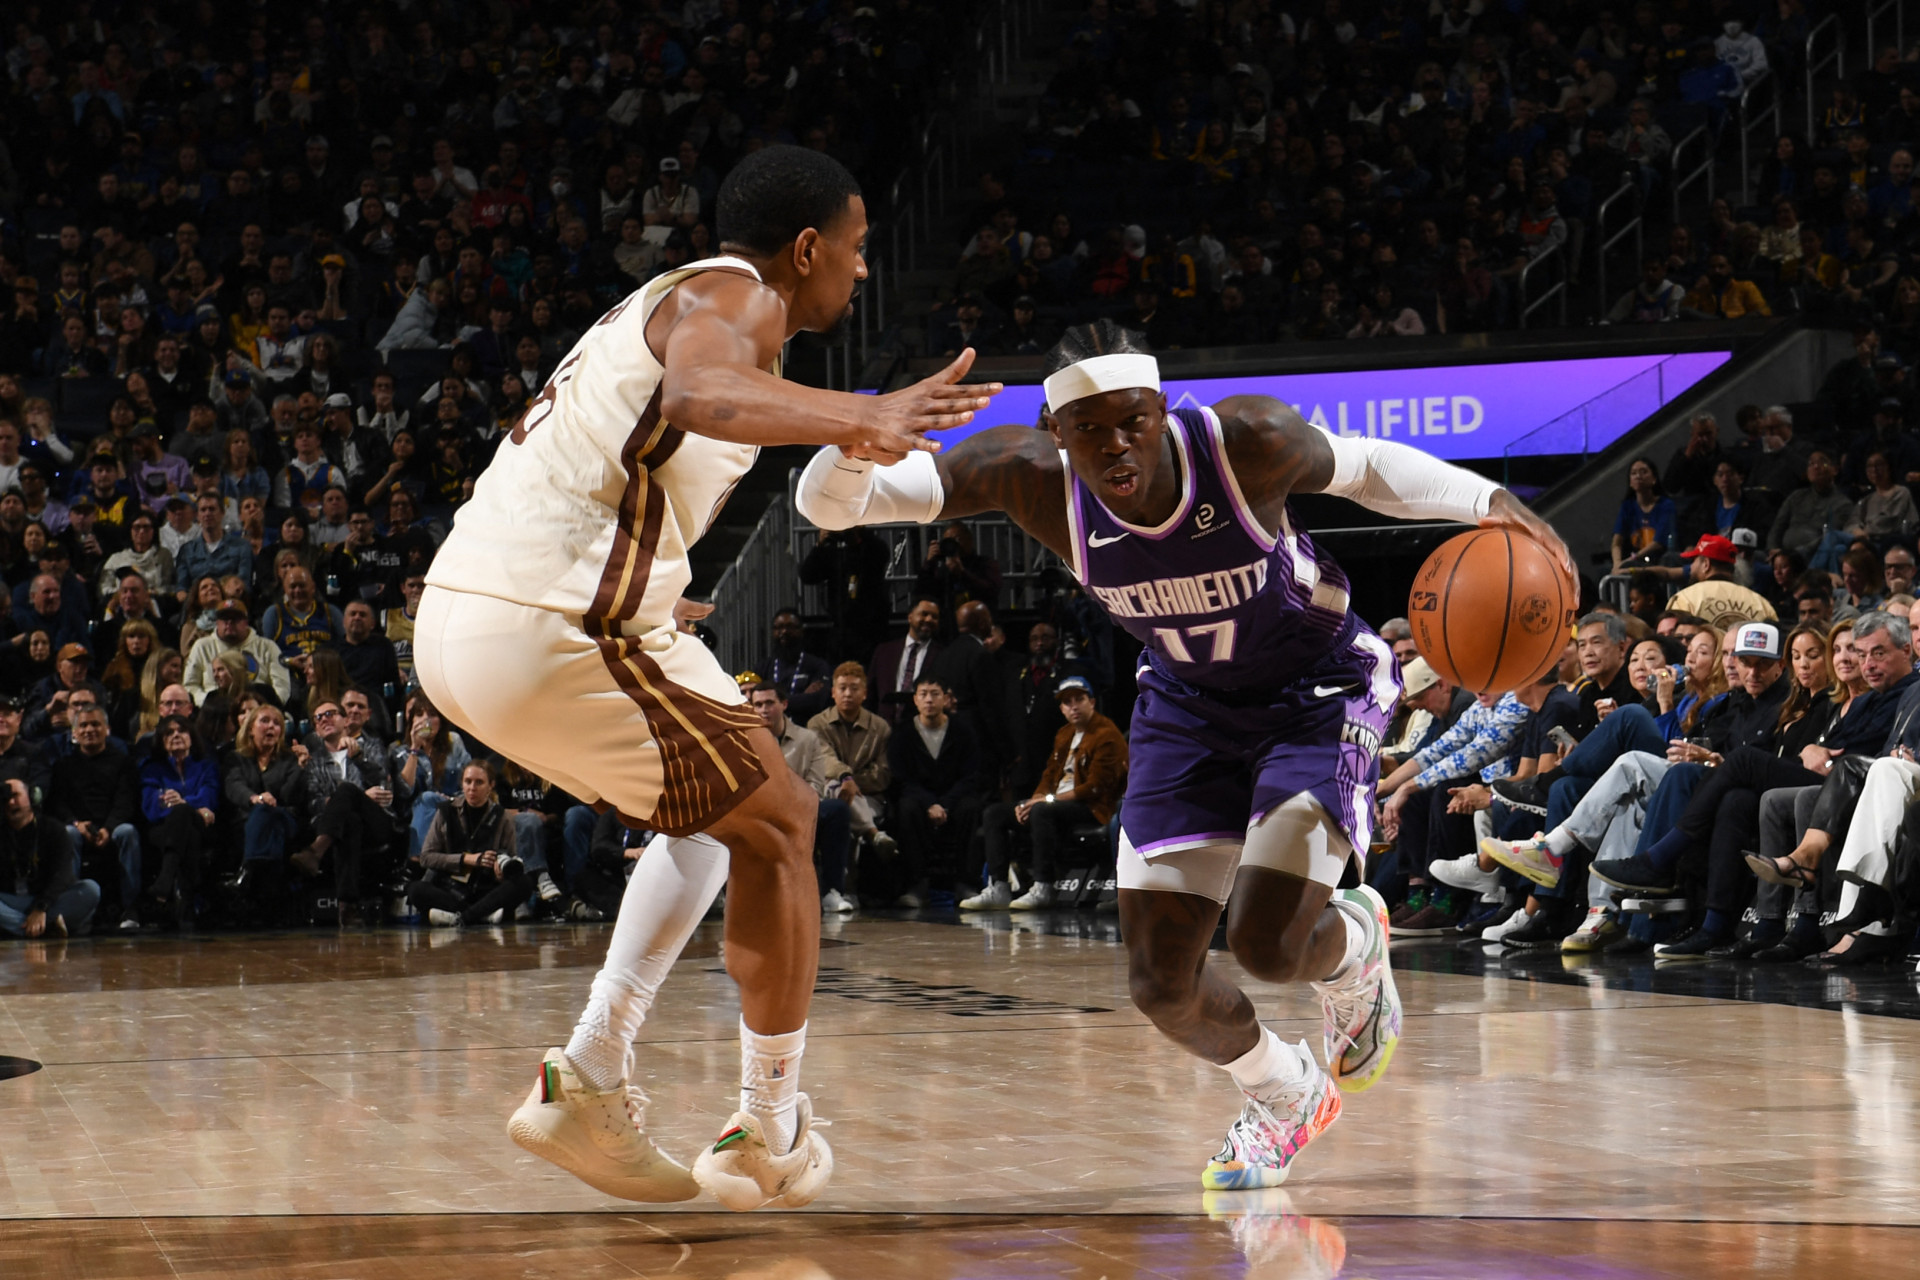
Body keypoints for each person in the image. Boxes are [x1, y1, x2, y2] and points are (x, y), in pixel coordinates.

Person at [797, 319, 1573, 1186]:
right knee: (1160, 984)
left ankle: (1353, 946)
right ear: (1058, 433)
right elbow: (828, 506)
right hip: (1187, 705)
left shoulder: (1247, 442)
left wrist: (1491, 505)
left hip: (1314, 690)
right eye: (1090, 430)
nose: (1117, 445)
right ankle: (1285, 1093)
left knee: (1270, 942)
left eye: (1133, 421)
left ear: (1163, 408)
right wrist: (855, 435)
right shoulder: (1027, 478)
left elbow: (1367, 468)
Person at [414, 146, 989, 1209]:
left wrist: (659, 586)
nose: (862, 273)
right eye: (856, 251)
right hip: (550, 619)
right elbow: (699, 390)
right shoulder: (738, 295)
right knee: (782, 818)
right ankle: (766, 1130)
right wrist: (861, 414)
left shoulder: (661, 307)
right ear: (806, 248)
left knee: (724, 803)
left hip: (477, 616)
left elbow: (613, 454)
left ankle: (591, 1065)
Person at [964, 676, 1128, 910]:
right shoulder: (1064, 734)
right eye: (1067, 702)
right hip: (1057, 804)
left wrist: (1045, 801)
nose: (1073, 706)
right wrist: (1031, 801)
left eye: (1079, 699)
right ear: (1061, 708)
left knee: (1042, 810)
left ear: (1091, 702)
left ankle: (1044, 886)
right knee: (995, 813)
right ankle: (998, 886)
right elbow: (1049, 775)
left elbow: (1095, 787)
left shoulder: (1107, 734)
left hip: (1092, 807)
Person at [748, 682, 857, 914]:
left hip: (799, 806)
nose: (764, 710)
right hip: (759, 810)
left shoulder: (807, 739)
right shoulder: (746, 739)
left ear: (784, 704)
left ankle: (832, 892)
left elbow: (815, 784)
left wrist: (790, 803)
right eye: (758, 705)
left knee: (837, 810)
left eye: (769, 703)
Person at [289, 698, 397, 927]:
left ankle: (315, 851)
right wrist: (348, 801)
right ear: (316, 729)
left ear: (345, 720)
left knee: (347, 791)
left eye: (331, 713)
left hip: (376, 821)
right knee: (349, 820)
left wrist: (358, 759)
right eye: (319, 717)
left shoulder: (370, 747)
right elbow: (314, 803)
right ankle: (347, 906)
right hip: (338, 826)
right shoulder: (313, 761)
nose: (325, 719)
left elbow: (383, 783)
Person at [885, 675, 989, 906]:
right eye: (923, 694)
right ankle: (917, 886)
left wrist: (945, 804)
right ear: (915, 700)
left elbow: (970, 775)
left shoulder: (963, 731)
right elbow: (902, 778)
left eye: (935, 694)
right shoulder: (903, 734)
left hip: (954, 797)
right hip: (919, 797)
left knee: (971, 808)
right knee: (907, 808)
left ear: (946, 698)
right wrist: (929, 803)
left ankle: (966, 884)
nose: (929, 700)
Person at [48, 703, 143, 932]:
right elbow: (56, 803)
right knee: (67, 834)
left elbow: (125, 801)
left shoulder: (122, 762)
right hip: (78, 828)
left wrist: (108, 828)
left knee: (128, 832)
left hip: (113, 827)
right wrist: (76, 823)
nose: (89, 729)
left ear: (107, 729)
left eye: (95, 724)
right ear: (74, 733)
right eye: (83, 725)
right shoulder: (63, 766)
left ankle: (131, 908)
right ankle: (75, 910)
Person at [406, 759, 532, 926]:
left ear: (491, 785)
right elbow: (426, 857)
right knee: (415, 890)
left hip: (485, 887)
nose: (472, 788)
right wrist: (465, 859)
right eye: (468, 782)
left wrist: (501, 871)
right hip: (450, 887)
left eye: (479, 782)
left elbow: (511, 859)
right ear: (462, 784)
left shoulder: (503, 817)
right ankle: (480, 915)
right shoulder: (446, 811)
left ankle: (462, 917)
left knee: (524, 882)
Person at [138, 714, 219, 930]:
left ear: (192, 737)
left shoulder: (206, 767)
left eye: (181, 731)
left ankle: (165, 879)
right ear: (161, 741)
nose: (176, 735)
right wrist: (186, 807)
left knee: (183, 815)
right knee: (187, 832)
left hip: (203, 827)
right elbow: (150, 808)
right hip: (162, 829)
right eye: (169, 732)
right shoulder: (151, 769)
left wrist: (180, 803)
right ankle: (188, 907)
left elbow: (209, 798)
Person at [804, 662, 895, 857]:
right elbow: (824, 760)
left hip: (868, 797)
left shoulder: (880, 727)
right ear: (833, 693)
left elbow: (882, 775)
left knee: (843, 810)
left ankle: (840, 883)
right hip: (828, 794)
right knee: (835, 797)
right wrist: (845, 777)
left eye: (854, 688)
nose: (847, 694)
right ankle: (874, 834)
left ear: (864, 693)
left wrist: (852, 783)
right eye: (842, 688)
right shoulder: (817, 724)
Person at [0, 778, 100, 938]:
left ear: (32, 797)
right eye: (5, 798)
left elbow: (63, 875)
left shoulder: (54, 830)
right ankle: (44, 929)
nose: (11, 803)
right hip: (13, 901)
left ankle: (20, 928)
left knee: (90, 890)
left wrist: (41, 908)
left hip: (48, 901)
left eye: (15, 796)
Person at [867, 599, 943, 725]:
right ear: (910, 617)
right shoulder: (884, 651)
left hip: (924, 729)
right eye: (924, 614)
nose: (929, 619)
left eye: (934, 617)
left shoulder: (943, 655)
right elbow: (870, 693)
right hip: (884, 728)